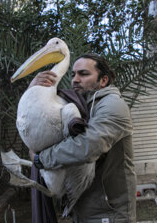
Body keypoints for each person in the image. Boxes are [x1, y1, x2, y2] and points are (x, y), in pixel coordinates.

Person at [29, 53, 136, 223]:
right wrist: (33, 90)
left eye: (84, 74)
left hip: (108, 213)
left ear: (103, 80)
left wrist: (41, 159)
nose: (75, 80)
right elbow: (40, 120)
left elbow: (87, 146)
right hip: (82, 210)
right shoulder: (80, 106)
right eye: (73, 75)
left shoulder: (113, 105)